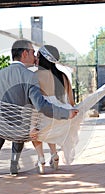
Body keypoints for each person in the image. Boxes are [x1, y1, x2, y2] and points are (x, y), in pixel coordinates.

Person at [0, 39, 78, 176]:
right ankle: (18, 161)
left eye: (37, 55)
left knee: (26, 123)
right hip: (35, 123)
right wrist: (67, 113)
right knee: (27, 125)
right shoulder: (33, 76)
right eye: (33, 52)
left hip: (1, 125)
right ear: (25, 53)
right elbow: (44, 105)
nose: (35, 56)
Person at [33, 45, 77, 174]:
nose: (36, 58)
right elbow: (71, 101)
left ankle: (41, 158)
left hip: (47, 114)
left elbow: (35, 101)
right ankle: (54, 155)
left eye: (38, 55)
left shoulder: (36, 76)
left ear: (43, 58)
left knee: (33, 131)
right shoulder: (63, 76)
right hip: (63, 117)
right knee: (50, 131)